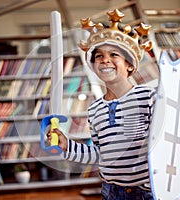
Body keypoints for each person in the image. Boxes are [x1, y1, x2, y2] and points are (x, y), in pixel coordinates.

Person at [48, 9, 156, 200]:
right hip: (111, 192)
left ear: (130, 64)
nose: (105, 59)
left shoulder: (148, 97)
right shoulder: (95, 109)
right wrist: (67, 145)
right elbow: (99, 153)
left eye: (114, 54)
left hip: (146, 191)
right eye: (99, 56)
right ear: (93, 65)